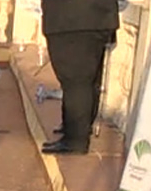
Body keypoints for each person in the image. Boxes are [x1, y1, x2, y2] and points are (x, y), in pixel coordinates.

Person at [39, 0, 117, 155]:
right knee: (87, 80)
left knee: (75, 81)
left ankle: (76, 139)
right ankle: (78, 128)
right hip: (97, 16)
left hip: (72, 20)